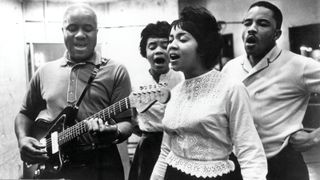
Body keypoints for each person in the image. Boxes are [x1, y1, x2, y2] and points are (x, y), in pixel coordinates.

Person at [14, 3, 133, 180]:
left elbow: (126, 122)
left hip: (101, 163)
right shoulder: (44, 71)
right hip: (53, 164)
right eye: (72, 28)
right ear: (62, 31)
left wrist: (115, 132)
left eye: (87, 28)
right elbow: (25, 114)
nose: (80, 35)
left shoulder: (116, 70)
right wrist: (23, 139)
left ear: (96, 32)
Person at [150, 7, 267, 180]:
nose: (171, 45)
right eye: (170, 40)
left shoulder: (231, 88)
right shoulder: (174, 93)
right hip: (173, 174)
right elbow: (165, 151)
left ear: (204, 46)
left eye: (182, 39)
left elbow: (249, 151)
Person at [222, 1, 320, 180]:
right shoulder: (230, 67)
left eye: (262, 23)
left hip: (283, 165)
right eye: (247, 23)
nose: (252, 29)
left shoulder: (299, 65)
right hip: (239, 164)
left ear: (277, 34)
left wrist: (315, 137)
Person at [128, 21, 184, 180]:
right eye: (152, 46)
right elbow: (131, 119)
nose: (158, 50)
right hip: (147, 148)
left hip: (177, 146)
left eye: (164, 45)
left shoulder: (182, 78)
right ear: (145, 52)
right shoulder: (136, 82)